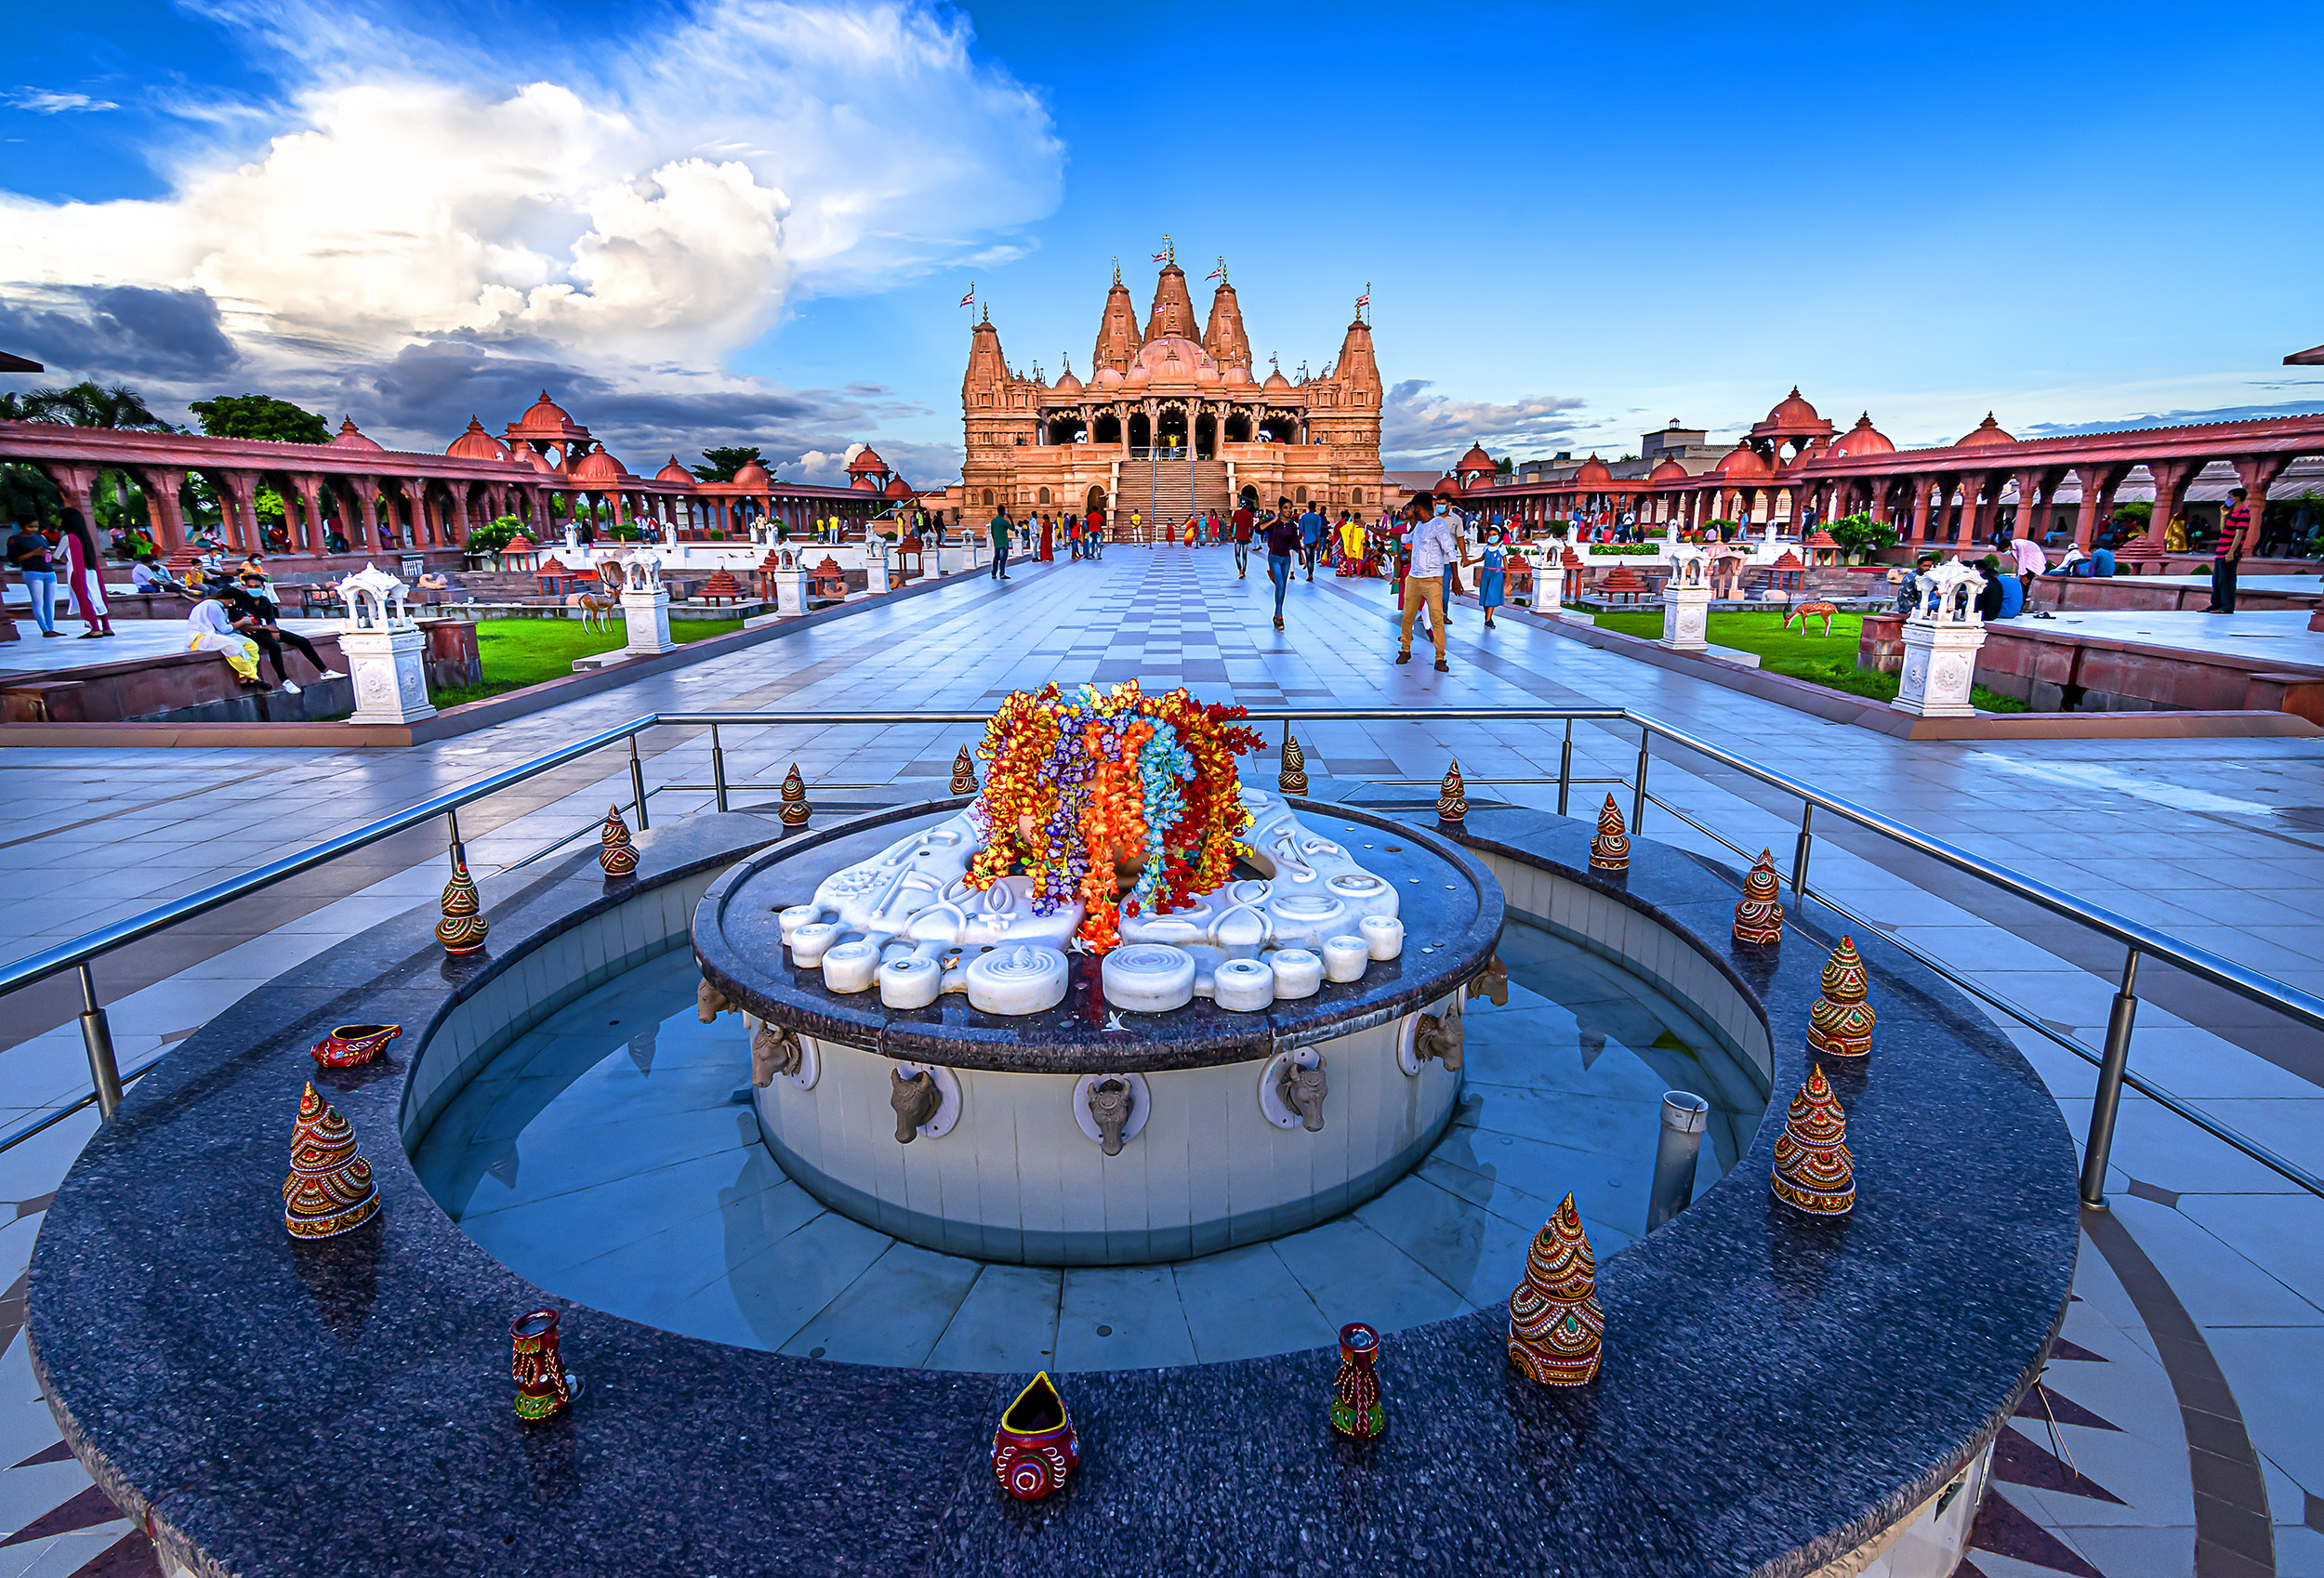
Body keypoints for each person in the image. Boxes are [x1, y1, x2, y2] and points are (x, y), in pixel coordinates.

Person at [224, 569, 328, 690]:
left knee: (302, 641)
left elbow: (270, 619)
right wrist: (266, 628)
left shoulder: (265, 601)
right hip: (247, 632)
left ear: (263, 587)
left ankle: (324, 671)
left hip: (262, 629)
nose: (253, 589)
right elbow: (239, 624)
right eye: (250, 586)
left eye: (256, 586)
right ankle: (284, 680)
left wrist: (274, 630)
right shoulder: (240, 601)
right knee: (274, 646)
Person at [1399, 497, 1460, 671]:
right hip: (1414, 578)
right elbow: (1406, 539)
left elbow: (1450, 551)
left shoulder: (1438, 525)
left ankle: (1440, 657)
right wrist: (1379, 531)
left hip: (1433, 579)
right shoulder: (1419, 526)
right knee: (1408, 616)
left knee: (1437, 618)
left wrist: (1456, 578)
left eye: (1412, 508)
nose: (1411, 511)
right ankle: (1405, 649)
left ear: (1419, 508)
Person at [186, 583, 267, 688]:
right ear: (232, 600)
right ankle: (253, 677)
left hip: (215, 634)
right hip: (202, 637)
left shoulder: (215, 605)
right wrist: (242, 622)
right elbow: (224, 629)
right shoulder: (212, 606)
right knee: (233, 646)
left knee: (251, 645)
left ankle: (244, 677)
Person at [57, 507, 115, 638]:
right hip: (91, 572)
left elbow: (56, 555)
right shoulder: (86, 537)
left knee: (84, 599)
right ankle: (106, 627)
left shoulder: (68, 538)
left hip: (77, 573)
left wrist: (63, 558)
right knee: (97, 597)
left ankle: (95, 628)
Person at [7, 516, 61, 637]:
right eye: (30, 526)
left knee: (50, 602)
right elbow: (15, 560)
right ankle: (44, 629)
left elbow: (47, 551)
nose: (33, 529)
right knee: (38, 601)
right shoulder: (15, 540)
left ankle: (50, 628)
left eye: (36, 526)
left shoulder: (40, 537)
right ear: (22, 526)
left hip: (48, 571)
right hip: (32, 572)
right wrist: (33, 553)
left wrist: (50, 554)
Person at [1263, 505, 1302, 632]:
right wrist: (1273, 520)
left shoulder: (1292, 526)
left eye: (1290, 508)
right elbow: (1258, 529)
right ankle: (1279, 615)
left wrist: (1300, 554)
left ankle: (1277, 613)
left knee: (1283, 586)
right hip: (1274, 557)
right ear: (1280, 509)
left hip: (1286, 559)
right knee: (1279, 583)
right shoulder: (1274, 524)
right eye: (1285, 508)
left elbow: (1295, 542)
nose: (1288, 510)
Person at [1478, 528, 1507, 629]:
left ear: (1499, 535)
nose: (1492, 536)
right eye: (1490, 534)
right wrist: (1470, 562)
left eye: (1494, 534)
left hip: (1496, 573)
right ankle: (1488, 617)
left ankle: (1488, 620)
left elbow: (1505, 562)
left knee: (1492, 595)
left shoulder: (1501, 548)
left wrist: (1508, 576)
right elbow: (1482, 558)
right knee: (1485, 595)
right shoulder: (1486, 548)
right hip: (1486, 573)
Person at [2209, 540, 2241, 614]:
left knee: (2226, 581)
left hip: (2228, 553)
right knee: (2217, 580)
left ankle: (2227, 607)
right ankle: (2216, 605)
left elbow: (2239, 535)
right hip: (2220, 552)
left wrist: (2231, 551)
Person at [1300, 500, 1325, 581]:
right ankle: (1311, 573)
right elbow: (1318, 531)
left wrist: (1299, 538)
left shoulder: (1304, 517)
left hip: (1307, 540)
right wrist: (1318, 543)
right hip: (1314, 540)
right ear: (1315, 507)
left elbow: (1301, 530)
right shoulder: (1317, 517)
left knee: (1308, 557)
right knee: (1312, 557)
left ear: (1308, 507)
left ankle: (1309, 573)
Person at [1231, 500, 1254, 577]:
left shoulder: (1236, 513)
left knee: (1237, 554)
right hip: (1246, 538)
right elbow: (1252, 527)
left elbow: (1232, 523)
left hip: (1238, 536)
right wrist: (1250, 535)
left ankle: (1240, 568)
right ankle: (1243, 571)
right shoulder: (1250, 515)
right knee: (1244, 555)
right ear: (1247, 506)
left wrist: (1231, 532)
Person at [988, 506, 1011, 580]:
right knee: (1003, 559)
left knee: (996, 558)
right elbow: (1013, 528)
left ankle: (994, 573)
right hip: (1004, 542)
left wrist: (994, 540)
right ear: (1004, 512)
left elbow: (992, 531)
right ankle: (1002, 574)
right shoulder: (1004, 522)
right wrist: (1011, 519)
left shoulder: (993, 520)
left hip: (997, 542)